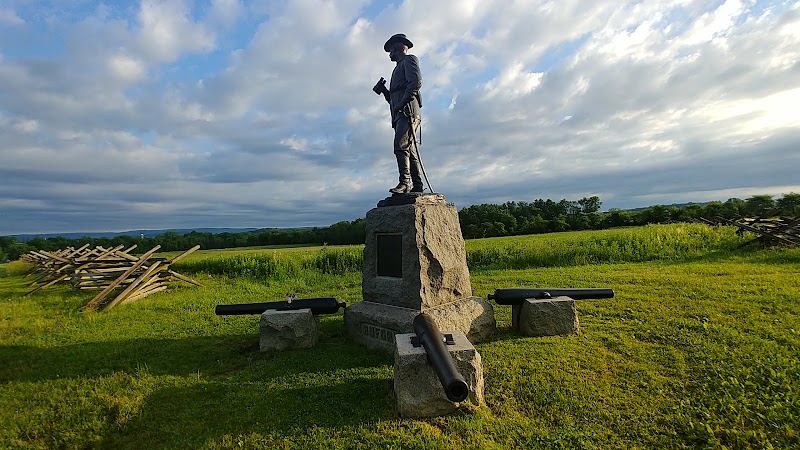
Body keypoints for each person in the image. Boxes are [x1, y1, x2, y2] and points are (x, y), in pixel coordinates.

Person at [373, 33, 424, 194]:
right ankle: (417, 185)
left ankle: (405, 183)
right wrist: (384, 91)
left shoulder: (409, 60)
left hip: (409, 111)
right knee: (409, 149)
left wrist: (402, 103)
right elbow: (393, 99)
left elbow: (416, 83)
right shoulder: (397, 69)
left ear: (400, 48)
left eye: (392, 51)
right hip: (400, 112)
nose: (390, 54)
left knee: (400, 145)